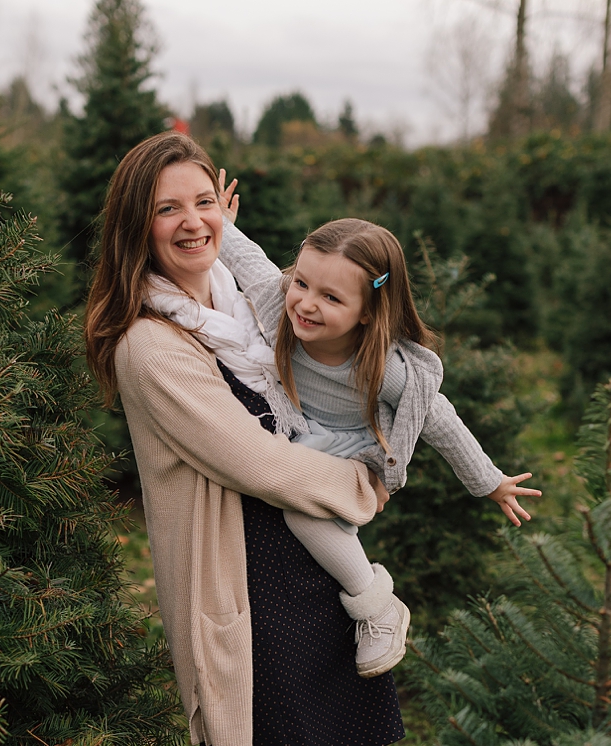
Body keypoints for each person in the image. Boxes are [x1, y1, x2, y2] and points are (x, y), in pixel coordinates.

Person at [81, 132, 476, 746]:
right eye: (167, 209)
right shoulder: (150, 342)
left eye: (202, 201)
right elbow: (254, 461)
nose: (191, 223)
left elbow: (356, 360)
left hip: (313, 572)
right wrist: (365, 486)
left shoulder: (251, 303)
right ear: (137, 227)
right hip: (242, 582)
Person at [189, 173, 539, 677]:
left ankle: (377, 607)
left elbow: (438, 417)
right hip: (296, 432)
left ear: (370, 313)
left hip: (353, 452)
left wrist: (489, 482)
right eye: (302, 284)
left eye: (332, 298)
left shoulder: (381, 368)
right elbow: (250, 262)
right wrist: (219, 222)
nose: (306, 303)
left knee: (302, 514)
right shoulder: (281, 309)